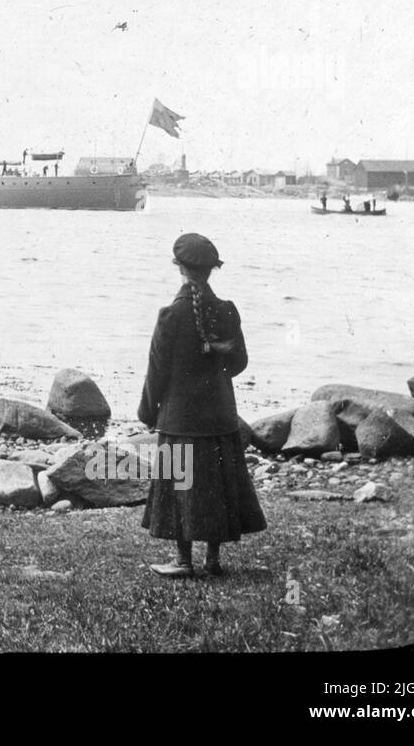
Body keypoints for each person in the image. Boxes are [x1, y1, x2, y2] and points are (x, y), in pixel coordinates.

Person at [137, 234, 265, 577]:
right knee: (216, 485)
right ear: (211, 270)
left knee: (182, 486)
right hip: (220, 417)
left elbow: (157, 372)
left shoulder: (170, 315)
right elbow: (239, 363)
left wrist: (147, 412)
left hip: (180, 419)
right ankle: (212, 559)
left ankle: (182, 561)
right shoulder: (227, 310)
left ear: (179, 268)